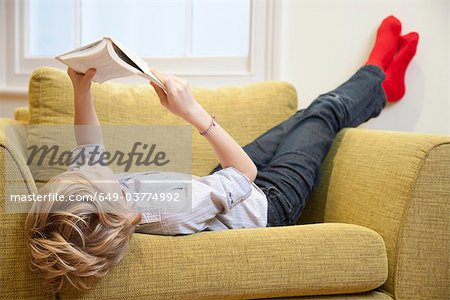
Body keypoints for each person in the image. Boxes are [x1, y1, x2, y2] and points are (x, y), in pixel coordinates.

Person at [25, 15, 418, 292]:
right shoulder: (170, 208)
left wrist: (82, 88)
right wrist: (191, 112)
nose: (84, 169)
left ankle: (378, 87)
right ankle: (380, 76)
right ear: (114, 210)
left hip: (221, 184)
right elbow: (244, 173)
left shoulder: (97, 207)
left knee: (307, 115)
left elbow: (88, 148)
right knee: (325, 112)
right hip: (269, 199)